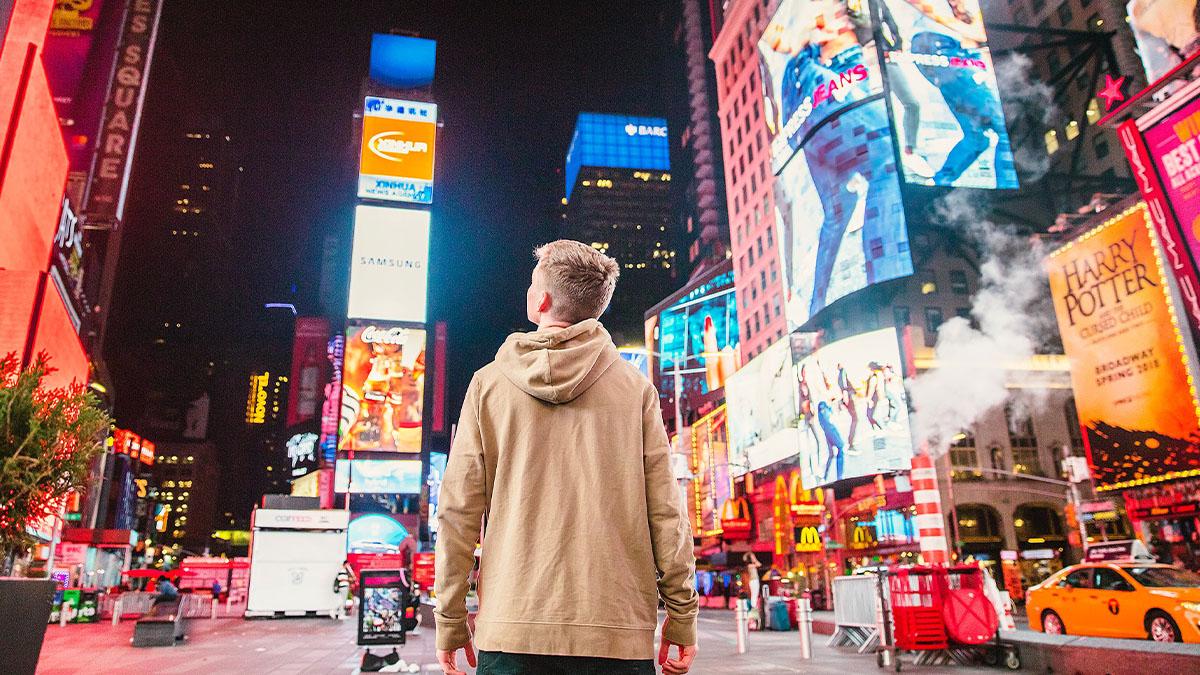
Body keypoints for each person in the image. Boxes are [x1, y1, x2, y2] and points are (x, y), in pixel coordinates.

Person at [435, 240, 698, 675]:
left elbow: (458, 511)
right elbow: (668, 514)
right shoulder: (636, 391)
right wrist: (682, 616)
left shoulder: (488, 385)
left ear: (541, 300)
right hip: (618, 636)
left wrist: (450, 617)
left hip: (512, 632)